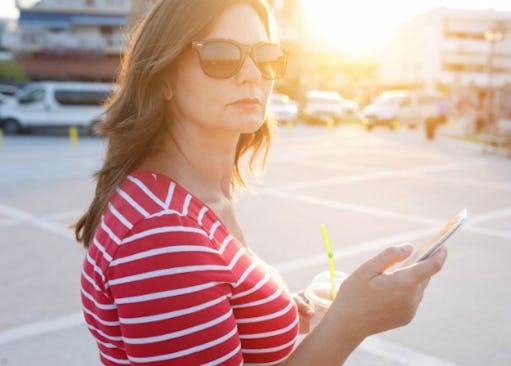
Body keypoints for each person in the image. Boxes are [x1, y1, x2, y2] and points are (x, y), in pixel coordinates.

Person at [75, 1, 447, 365]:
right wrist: (351, 323)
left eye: (266, 56)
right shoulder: (162, 231)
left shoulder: (198, 199)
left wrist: (326, 305)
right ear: (163, 78)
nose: (253, 73)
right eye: (221, 56)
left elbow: (227, 313)